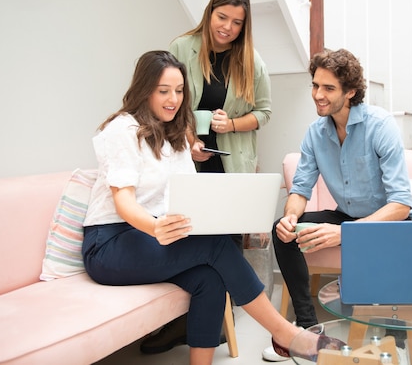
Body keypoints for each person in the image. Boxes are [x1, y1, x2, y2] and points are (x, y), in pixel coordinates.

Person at [82, 50, 340, 365]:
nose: (173, 99)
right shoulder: (121, 130)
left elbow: (190, 195)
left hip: (152, 235)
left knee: (210, 278)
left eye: (179, 91)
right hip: (110, 243)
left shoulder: (175, 134)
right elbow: (123, 201)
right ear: (144, 89)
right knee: (216, 247)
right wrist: (155, 228)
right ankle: (287, 334)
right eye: (163, 91)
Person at [262, 48, 412, 361]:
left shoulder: (381, 126)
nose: (318, 95)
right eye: (315, 85)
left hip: (392, 223)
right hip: (347, 216)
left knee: (396, 244)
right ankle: (307, 330)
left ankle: (394, 342)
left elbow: (401, 204)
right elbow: (301, 188)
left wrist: (346, 233)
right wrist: (290, 218)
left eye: (328, 88)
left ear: (350, 92)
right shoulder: (315, 134)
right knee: (283, 234)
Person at [141, 0, 272, 354]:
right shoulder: (183, 48)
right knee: (184, 240)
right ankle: (180, 323)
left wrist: (230, 124)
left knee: (226, 244)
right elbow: (171, 103)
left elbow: (264, 112)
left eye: (236, 22)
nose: (227, 27)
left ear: (245, 26)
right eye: (222, 17)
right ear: (209, 12)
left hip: (229, 166)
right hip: (187, 160)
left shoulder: (251, 61)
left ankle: (213, 327)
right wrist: (188, 140)